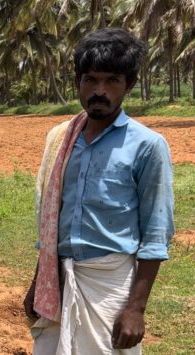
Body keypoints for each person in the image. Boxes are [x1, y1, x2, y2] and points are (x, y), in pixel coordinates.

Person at [24, 28, 174, 354]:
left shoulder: (147, 146)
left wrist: (135, 309)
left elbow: (156, 234)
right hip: (61, 281)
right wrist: (40, 282)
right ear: (78, 82)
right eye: (90, 79)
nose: (99, 91)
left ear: (129, 85)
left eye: (112, 81)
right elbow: (52, 222)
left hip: (110, 284)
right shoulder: (62, 140)